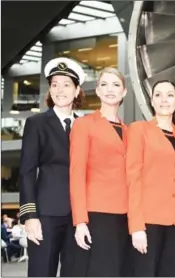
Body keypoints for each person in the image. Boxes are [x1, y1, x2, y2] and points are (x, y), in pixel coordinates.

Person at [18, 57, 84, 276]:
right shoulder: (36, 123)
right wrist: (30, 216)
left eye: (66, 85)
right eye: (54, 84)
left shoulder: (85, 126)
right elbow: (27, 171)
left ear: (77, 91)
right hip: (45, 215)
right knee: (40, 272)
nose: (60, 90)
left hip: (78, 217)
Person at [126, 80, 175, 276]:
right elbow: (133, 178)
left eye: (170, 95)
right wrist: (136, 226)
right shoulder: (139, 130)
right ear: (152, 101)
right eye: (158, 95)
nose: (164, 100)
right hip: (148, 222)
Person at [69, 67, 131, 276]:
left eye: (116, 85)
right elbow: (76, 174)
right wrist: (80, 221)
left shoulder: (130, 131)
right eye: (104, 84)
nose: (110, 89)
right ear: (97, 91)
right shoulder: (83, 125)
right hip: (97, 215)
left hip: (126, 217)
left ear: (124, 92)